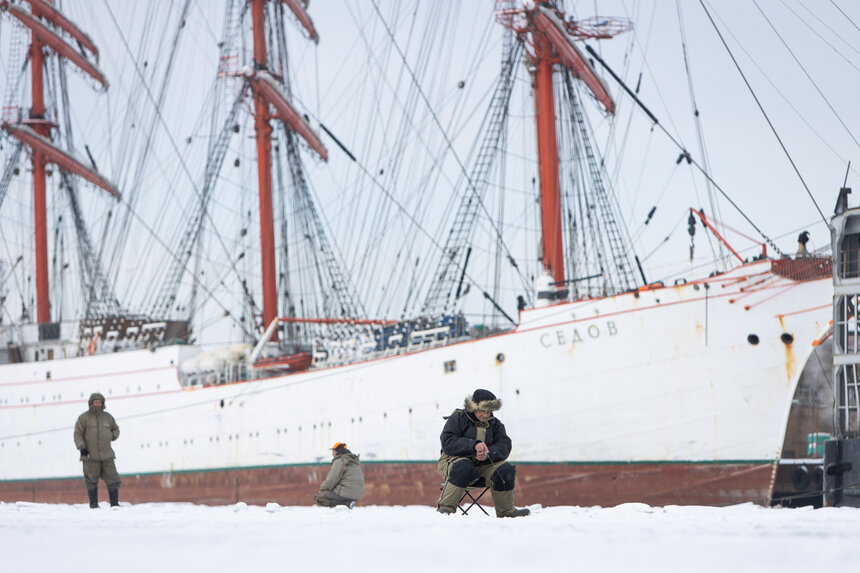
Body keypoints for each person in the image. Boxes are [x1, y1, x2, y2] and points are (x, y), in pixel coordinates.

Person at [437, 388, 530, 517]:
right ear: (474, 407)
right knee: (464, 467)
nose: (486, 415)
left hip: (483, 466)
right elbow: (448, 442)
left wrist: (489, 453)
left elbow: (504, 445)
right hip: (454, 464)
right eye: (483, 411)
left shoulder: (495, 424)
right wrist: (473, 445)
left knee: (505, 469)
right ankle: (445, 510)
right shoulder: (457, 418)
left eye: (489, 411)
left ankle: (506, 511)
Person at [73, 392, 121, 508]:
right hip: (90, 456)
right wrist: (82, 448)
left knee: (113, 479)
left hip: (107, 455)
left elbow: (116, 429)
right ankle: (93, 505)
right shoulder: (83, 418)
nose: (98, 405)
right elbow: (77, 434)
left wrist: (112, 436)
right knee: (91, 481)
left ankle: (115, 505)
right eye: (96, 402)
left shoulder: (108, 417)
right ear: (91, 403)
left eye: (100, 403)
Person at [314, 442, 365, 508]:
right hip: (359, 493)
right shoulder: (353, 460)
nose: (332, 453)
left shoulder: (340, 460)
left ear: (338, 451)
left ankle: (347, 504)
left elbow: (331, 480)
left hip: (347, 492)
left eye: (333, 451)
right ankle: (348, 503)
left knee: (319, 497)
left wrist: (322, 488)